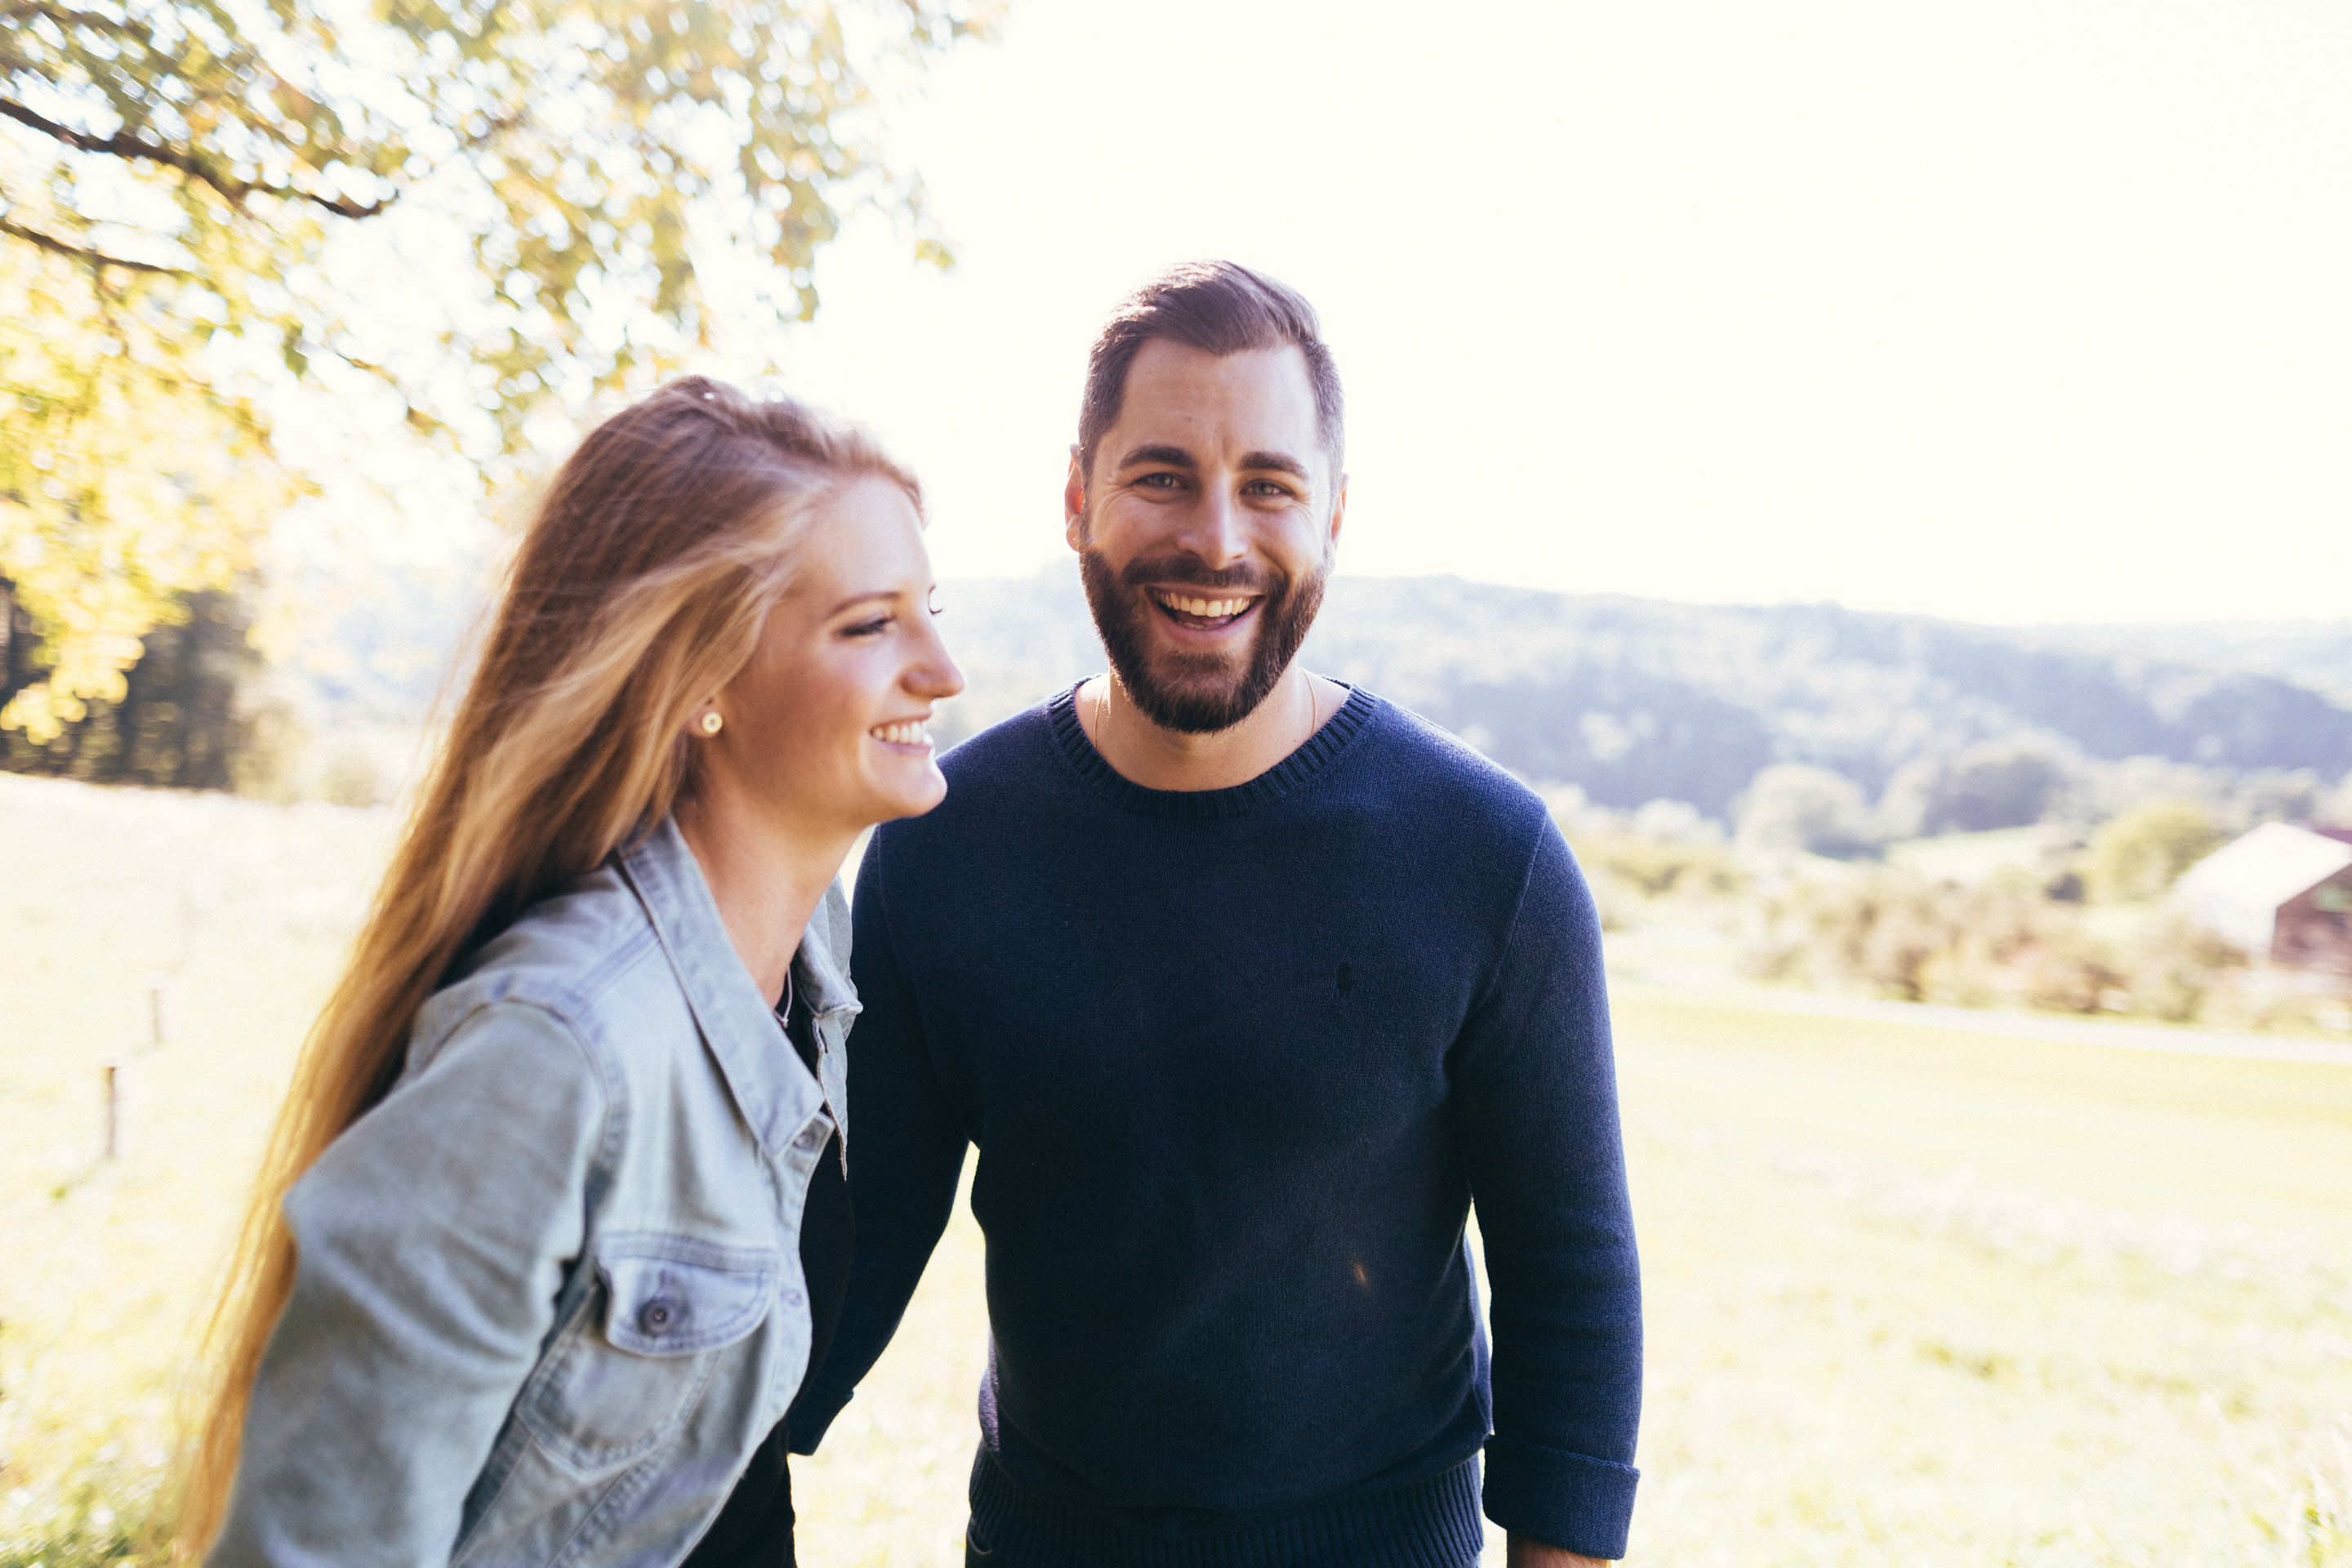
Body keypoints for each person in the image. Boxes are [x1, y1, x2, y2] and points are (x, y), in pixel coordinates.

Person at [789, 262, 1643, 1567]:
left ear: (1334, 517)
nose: (1219, 539)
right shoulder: (944, 843)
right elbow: (855, 1248)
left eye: (1270, 486)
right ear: (1076, 498)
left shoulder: (1487, 856)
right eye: (1163, 476)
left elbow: (1569, 1279)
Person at [179, 377, 964, 1567]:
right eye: (870, 626)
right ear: (701, 681)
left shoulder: (812, 967)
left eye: (929, 611)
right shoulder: (552, 1049)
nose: (943, 670)